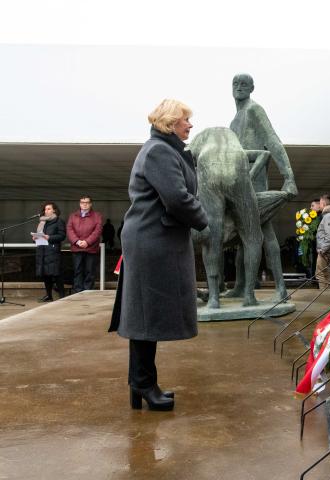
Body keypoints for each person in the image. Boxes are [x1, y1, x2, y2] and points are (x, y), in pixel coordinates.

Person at [109, 99, 208, 412]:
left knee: (145, 315)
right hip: (152, 241)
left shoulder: (165, 150)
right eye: (184, 121)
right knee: (144, 316)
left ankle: (142, 383)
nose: (190, 125)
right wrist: (205, 221)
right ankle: (143, 384)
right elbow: (178, 199)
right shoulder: (159, 151)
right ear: (169, 123)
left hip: (156, 239)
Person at [229, 73, 297, 301]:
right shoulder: (234, 120)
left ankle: (280, 288)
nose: (239, 88)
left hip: (256, 184)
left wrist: (288, 176)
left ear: (252, 88)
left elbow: (273, 141)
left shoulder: (254, 110)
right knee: (242, 236)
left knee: (266, 234)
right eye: (235, 84)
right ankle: (240, 285)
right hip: (239, 184)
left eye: (244, 84)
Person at [67, 195, 103, 293]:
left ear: (90, 204)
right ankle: (78, 291)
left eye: (87, 202)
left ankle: (88, 292)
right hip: (77, 248)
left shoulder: (97, 216)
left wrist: (87, 242)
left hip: (91, 248)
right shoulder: (73, 216)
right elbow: (69, 230)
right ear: (80, 204)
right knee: (77, 270)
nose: (85, 204)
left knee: (90, 271)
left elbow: (97, 231)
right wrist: (77, 241)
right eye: (82, 202)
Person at [33, 202, 66, 302]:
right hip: (42, 251)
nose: (46, 211)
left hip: (52, 251)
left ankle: (62, 296)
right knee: (45, 274)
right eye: (45, 209)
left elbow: (62, 235)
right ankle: (49, 295)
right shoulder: (42, 222)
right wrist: (35, 237)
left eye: (49, 209)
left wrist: (49, 237)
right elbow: (40, 234)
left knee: (56, 274)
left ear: (54, 210)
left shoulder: (58, 221)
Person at [315, 194, 330, 290]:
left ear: (324, 203)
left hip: (325, 250)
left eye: (320, 203)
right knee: (326, 273)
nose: (319, 205)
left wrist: (322, 249)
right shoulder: (329, 216)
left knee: (319, 274)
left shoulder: (329, 216)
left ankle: (323, 296)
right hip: (326, 250)